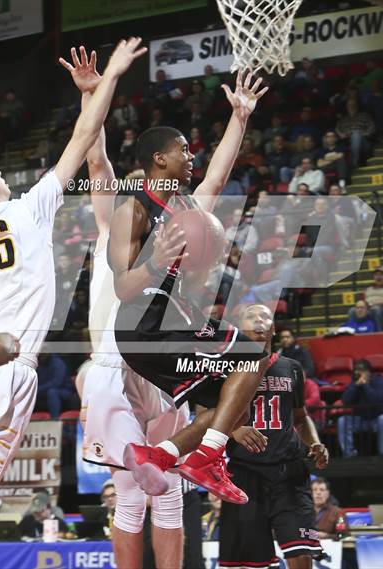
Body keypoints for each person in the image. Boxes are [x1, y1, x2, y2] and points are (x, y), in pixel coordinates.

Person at [0, 37, 147, 565]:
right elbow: (83, 142)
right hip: (2, 363)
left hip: (14, 366)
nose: (1, 172)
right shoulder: (26, 210)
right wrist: (104, 83)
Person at [109, 71, 271, 505]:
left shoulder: (184, 206)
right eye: (183, 149)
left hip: (169, 324)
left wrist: (239, 116)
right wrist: (157, 264)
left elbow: (216, 178)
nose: (191, 155)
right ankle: (207, 458)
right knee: (253, 346)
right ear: (159, 159)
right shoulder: (134, 209)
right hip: (143, 325)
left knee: (231, 401)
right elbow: (123, 287)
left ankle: (157, 455)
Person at [61, 47, 188, 569]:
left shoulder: (178, 227)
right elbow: (96, 159)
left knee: (163, 493)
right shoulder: (115, 219)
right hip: (119, 361)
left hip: (158, 361)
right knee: (136, 497)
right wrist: (92, 95)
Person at [219, 304, 329, 569]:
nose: (259, 320)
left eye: (265, 316)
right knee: (249, 563)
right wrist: (233, 429)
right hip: (244, 474)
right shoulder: (224, 366)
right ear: (238, 327)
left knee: (302, 551)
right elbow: (206, 414)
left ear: (274, 328)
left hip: (290, 473)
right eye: (251, 316)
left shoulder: (292, 368)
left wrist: (314, 442)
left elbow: (301, 418)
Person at [337, 359, 383, 457]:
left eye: (361, 370)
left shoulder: (379, 382)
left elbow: (376, 401)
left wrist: (365, 385)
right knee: (342, 421)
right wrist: (356, 385)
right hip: (363, 420)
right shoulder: (355, 383)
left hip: (380, 418)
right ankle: (349, 455)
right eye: (356, 370)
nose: (357, 373)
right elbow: (346, 401)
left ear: (369, 372)